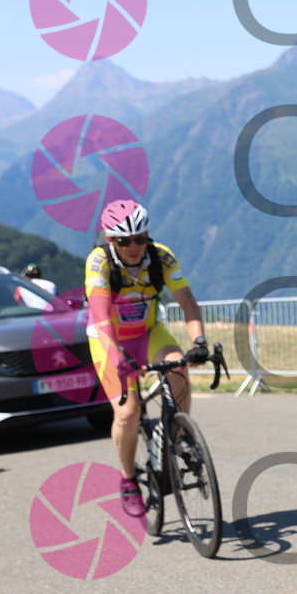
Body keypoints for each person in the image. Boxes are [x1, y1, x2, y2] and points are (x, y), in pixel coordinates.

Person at [84, 199, 209, 517]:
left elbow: (188, 302)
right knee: (128, 413)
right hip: (109, 339)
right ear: (110, 239)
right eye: (124, 241)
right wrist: (117, 357)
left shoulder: (161, 257)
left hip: (148, 333)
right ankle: (127, 480)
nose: (134, 247)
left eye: (140, 239)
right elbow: (101, 317)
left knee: (178, 365)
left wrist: (199, 342)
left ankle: (180, 435)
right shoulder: (99, 262)